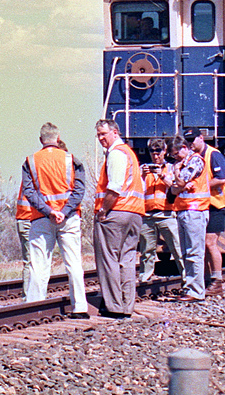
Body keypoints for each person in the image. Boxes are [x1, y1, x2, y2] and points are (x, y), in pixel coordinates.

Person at [20, 123, 88, 318]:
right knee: (74, 262)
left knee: (38, 264)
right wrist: (64, 211)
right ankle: (80, 308)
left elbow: (29, 192)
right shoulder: (72, 159)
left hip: (41, 219)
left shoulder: (30, 161)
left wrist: (49, 211)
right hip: (69, 218)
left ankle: (34, 309)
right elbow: (79, 190)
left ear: (41, 140)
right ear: (58, 138)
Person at [94, 120, 144, 317]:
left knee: (109, 259)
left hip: (116, 212)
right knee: (128, 260)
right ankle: (127, 305)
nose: (100, 139)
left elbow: (114, 187)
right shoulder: (130, 154)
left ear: (115, 132)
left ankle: (114, 306)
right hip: (134, 214)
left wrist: (103, 211)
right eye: (98, 135)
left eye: (103, 134)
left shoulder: (116, 154)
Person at [196, 131, 225, 297]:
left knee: (210, 242)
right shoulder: (195, 156)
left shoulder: (213, 154)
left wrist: (200, 185)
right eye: (188, 140)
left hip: (218, 203)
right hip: (204, 203)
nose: (191, 143)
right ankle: (207, 279)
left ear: (201, 138)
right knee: (204, 243)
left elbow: (221, 178)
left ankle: (217, 281)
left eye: (194, 139)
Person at [169, 132, 209, 302]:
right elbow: (173, 187)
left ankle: (196, 291)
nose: (174, 158)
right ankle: (190, 287)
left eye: (176, 154)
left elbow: (179, 182)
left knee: (194, 252)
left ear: (184, 148)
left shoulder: (195, 161)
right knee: (187, 253)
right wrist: (177, 185)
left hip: (195, 211)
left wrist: (177, 177)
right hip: (184, 211)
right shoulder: (183, 162)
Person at [138, 137, 185, 283]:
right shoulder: (143, 169)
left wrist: (162, 175)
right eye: (152, 151)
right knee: (146, 251)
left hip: (167, 214)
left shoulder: (171, 168)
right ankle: (144, 277)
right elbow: (139, 190)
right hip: (147, 215)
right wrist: (143, 176)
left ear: (165, 151)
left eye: (158, 151)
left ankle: (187, 278)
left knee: (177, 248)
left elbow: (176, 187)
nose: (155, 155)